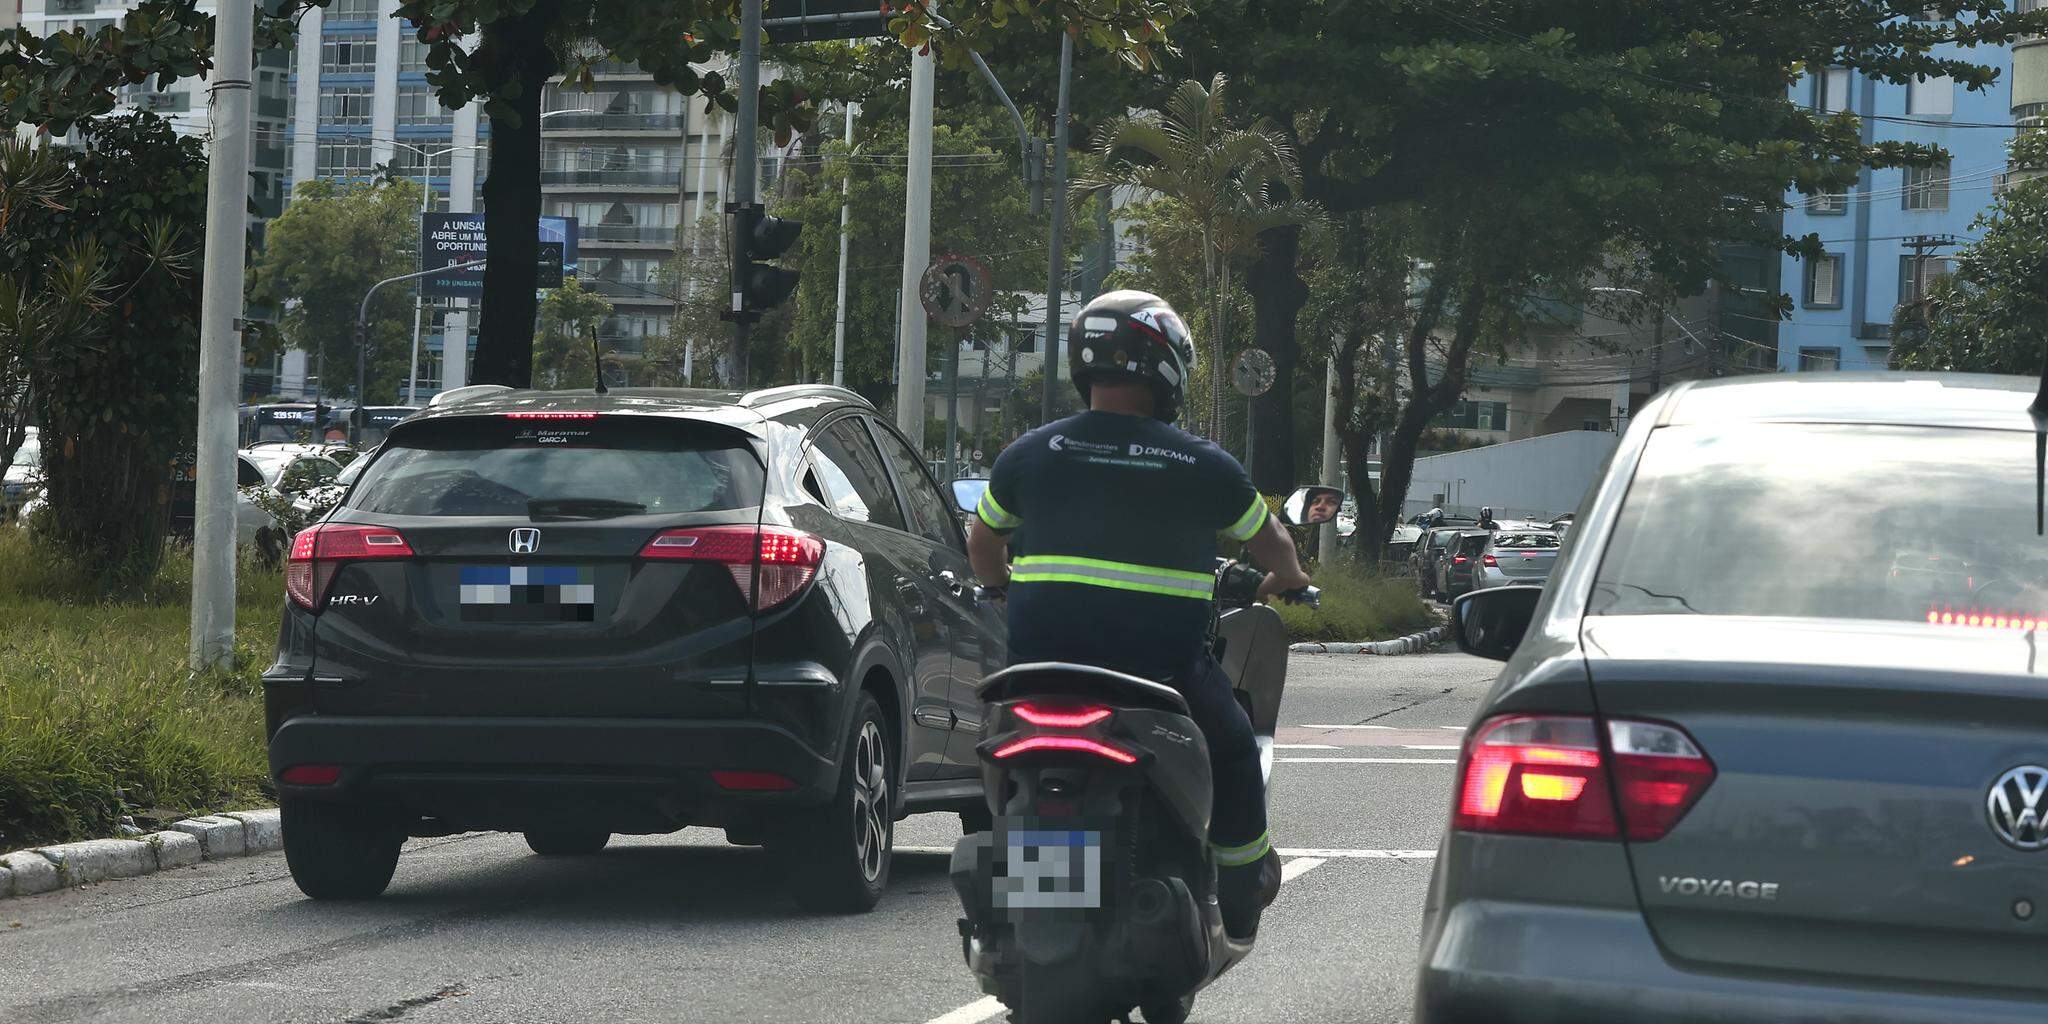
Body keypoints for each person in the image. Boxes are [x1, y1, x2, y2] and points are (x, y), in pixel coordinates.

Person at [966, 290, 1311, 941]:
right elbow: (1276, 546)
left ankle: (1021, 885)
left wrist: (999, 588)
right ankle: (1240, 890)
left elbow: (983, 544)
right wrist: (1288, 580)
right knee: (1235, 748)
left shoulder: (1028, 454)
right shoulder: (1202, 463)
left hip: (1040, 670)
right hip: (1161, 669)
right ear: (1169, 368)